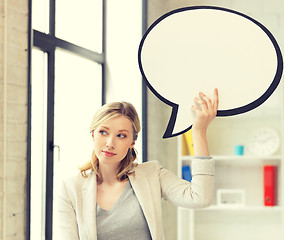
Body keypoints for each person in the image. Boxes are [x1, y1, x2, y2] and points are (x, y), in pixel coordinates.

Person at [55, 89, 219, 240]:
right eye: (103, 132)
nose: (110, 143)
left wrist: (199, 131)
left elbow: (200, 198)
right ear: (93, 135)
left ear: (132, 142)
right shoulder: (70, 189)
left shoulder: (152, 174)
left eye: (121, 135)